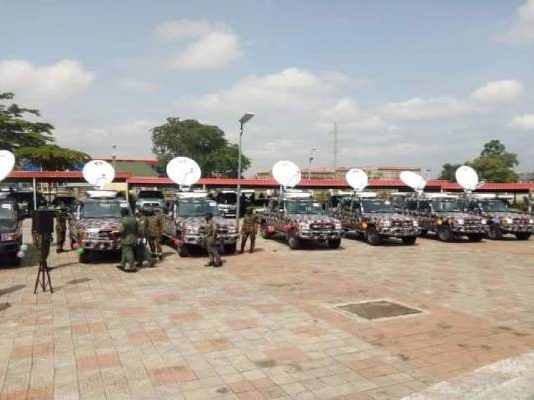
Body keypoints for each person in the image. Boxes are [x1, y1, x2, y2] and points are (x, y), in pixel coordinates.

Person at [117, 208, 139, 272]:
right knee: (124, 252)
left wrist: (116, 232)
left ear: (122, 213)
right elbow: (138, 229)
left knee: (128, 253)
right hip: (134, 238)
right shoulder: (134, 219)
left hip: (126, 238)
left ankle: (133, 267)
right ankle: (122, 265)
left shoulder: (122, 220)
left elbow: (121, 230)